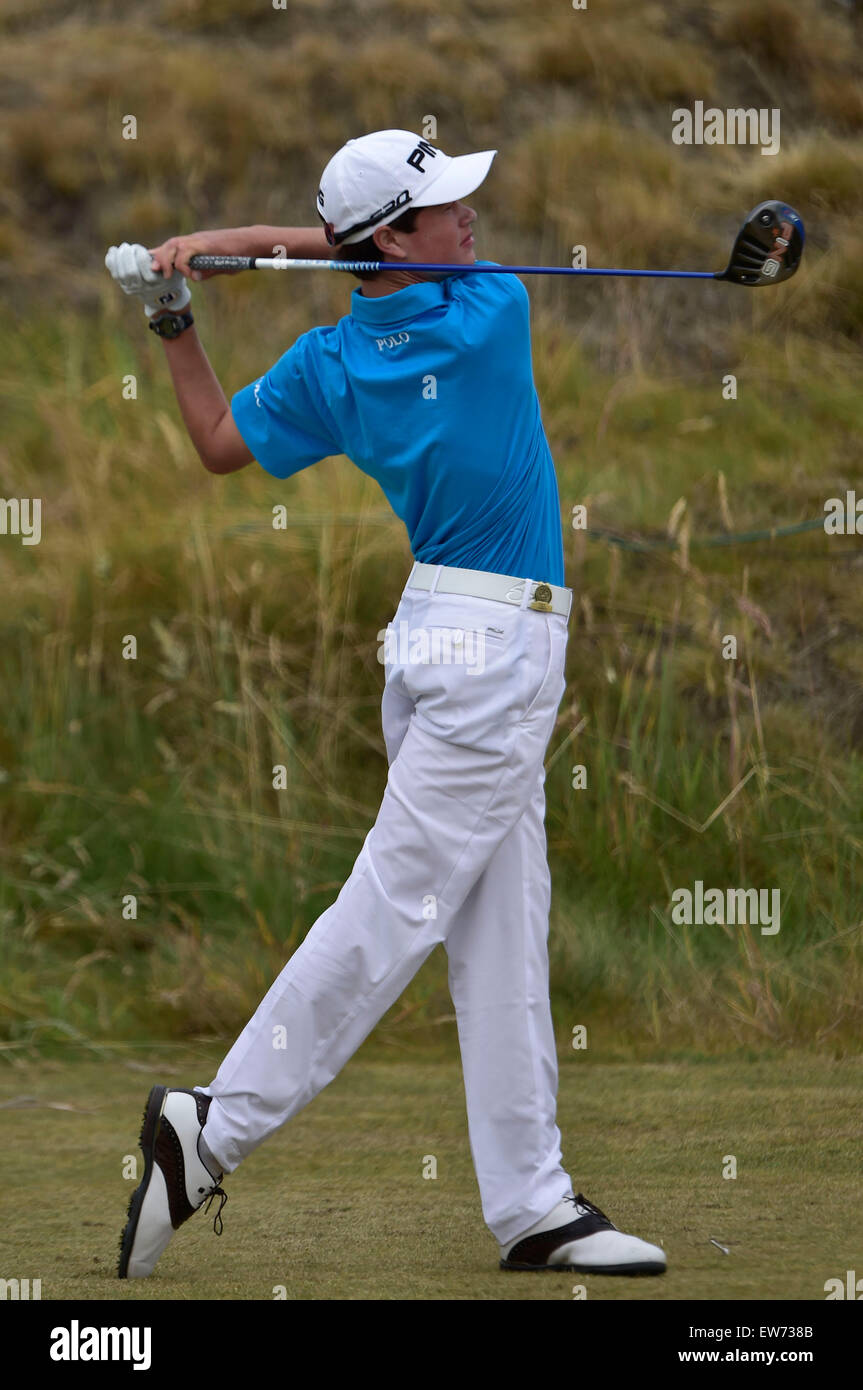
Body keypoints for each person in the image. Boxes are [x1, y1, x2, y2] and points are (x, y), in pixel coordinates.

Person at [106, 129, 666, 1281]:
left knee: (503, 928)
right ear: (399, 239)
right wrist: (244, 242)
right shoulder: (489, 311)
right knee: (392, 912)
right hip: (494, 651)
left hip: (434, 636)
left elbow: (217, 443)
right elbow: (346, 249)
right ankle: (208, 1129)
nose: (472, 215)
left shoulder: (327, 361)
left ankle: (533, 1206)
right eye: (445, 205)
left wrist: (177, 314)